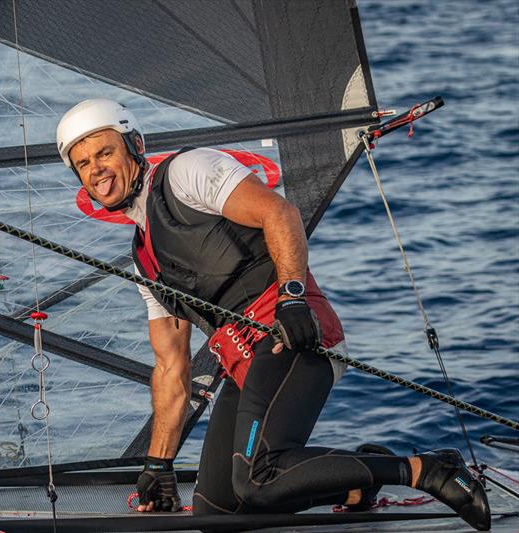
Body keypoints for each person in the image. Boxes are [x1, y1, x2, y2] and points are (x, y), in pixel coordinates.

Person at [55, 98, 490, 531]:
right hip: (244, 363)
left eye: (105, 152)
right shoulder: (143, 260)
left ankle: (427, 470)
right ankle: (357, 483)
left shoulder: (186, 174)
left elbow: (278, 212)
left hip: (293, 331)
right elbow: (172, 366)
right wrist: (158, 464)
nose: (97, 169)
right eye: (83, 163)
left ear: (134, 145)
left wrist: (293, 298)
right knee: (217, 512)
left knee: (258, 478)